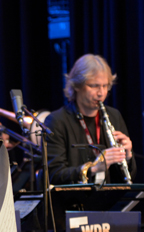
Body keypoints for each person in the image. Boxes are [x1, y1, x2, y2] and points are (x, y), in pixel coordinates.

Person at [45, 54, 136, 185]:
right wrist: (93, 168)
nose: (101, 93)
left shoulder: (114, 116)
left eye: (105, 86)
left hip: (110, 201)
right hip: (73, 202)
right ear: (76, 85)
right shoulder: (57, 121)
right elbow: (54, 175)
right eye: (94, 86)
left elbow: (128, 177)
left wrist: (127, 157)